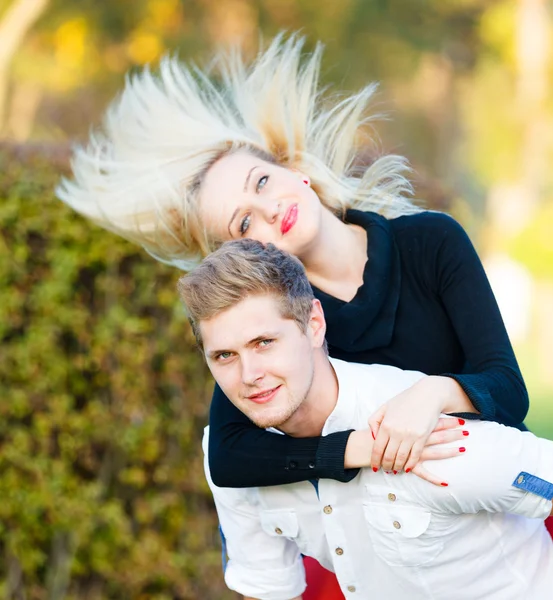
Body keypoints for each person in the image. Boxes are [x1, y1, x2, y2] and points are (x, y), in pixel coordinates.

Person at [57, 34, 545, 596]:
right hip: (391, 547)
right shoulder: (282, 321)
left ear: (296, 174)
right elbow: (230, 455)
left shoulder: (431, 243)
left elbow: (507, 390)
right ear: (246, 254)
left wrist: (430, 396)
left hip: (495, 516)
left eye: (262, 182)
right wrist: (350, 451)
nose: (269, 210)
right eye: (244, 225)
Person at [176, 238, 553, 600]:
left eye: (264, 343)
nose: (249, 375)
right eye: (224, 356)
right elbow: (266, 588)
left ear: (314, 325)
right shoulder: (231, 454)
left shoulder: (426, 431)